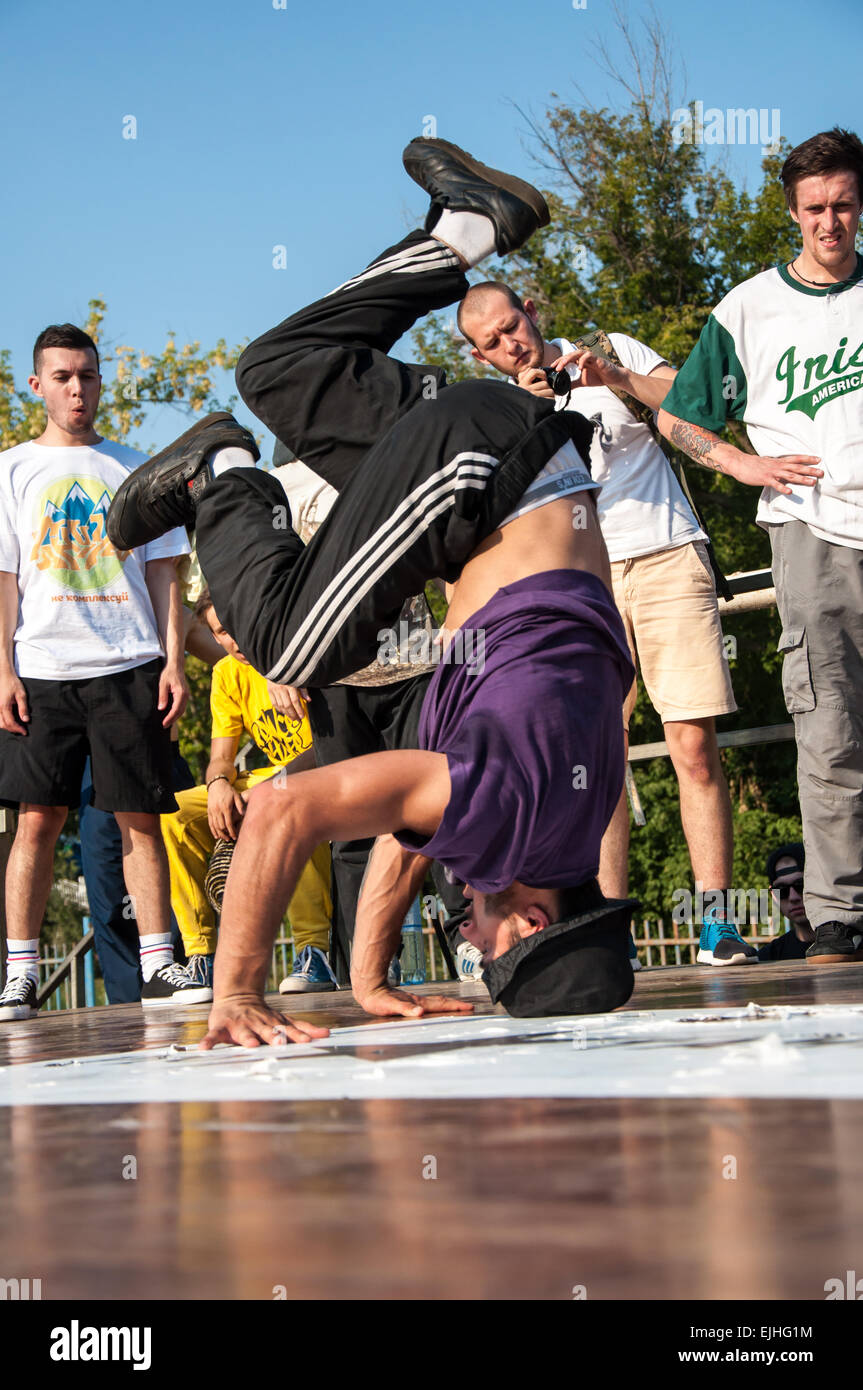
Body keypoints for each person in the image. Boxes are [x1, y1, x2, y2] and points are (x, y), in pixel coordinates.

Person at [107, 136, 638, 1045]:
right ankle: (217, 471)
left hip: (509, 454)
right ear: (532, 921)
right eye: (479, 943)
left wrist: (367, 977)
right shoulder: (510, 822)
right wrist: (235, 992)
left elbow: (402, 827)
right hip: (483, 486)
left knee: (282, 374)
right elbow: (284, 806)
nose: (463, 934)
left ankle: (467, 227)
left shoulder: (561, 822)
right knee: (283, 646)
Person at [457, 286, 747, 965]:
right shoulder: (496, 411)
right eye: (493, 342)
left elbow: (690, 408)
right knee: (596, 761)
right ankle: (606, 928)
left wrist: (612, 377)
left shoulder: (614, 350)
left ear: (534, 309)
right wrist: (528, 412)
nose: (512, 344)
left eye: (514, 326)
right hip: (575, 584)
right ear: (478, 353)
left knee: (692, 744)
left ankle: (714, 921)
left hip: (665, 554)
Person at [656, 126, 863, 966]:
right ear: (791, 213)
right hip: (811, 533)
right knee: (829, 730)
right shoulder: (746, 308)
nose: (829, 221)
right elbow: (676, 415)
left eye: (843, 204)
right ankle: (841, 913)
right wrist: (741, 462)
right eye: (813, 207)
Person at [0, 323, 212, 1019]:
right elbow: (5, 577)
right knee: (37, 819)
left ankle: (159, 963)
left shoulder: (137, 467)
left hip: (128, 662)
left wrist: (173, 660)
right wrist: (2, 668)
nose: (76, 388)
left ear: (100, 380)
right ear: (38, 386)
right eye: (62, 377)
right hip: (42, 666)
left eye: (87, 375)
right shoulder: (10, 469)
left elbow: (165, 572)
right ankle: (20, 973)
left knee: (139, 818)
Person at [161, 588, 335, 993]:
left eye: (234, 626)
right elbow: (222, 755)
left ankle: (315, 952)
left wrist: (269, 787)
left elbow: (330, 745)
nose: (232, 640)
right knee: (172, 812)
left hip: (323, 776)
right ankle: (200, 955)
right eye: (220, 632)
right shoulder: (226, 673)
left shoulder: (297, 652)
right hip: (265, 780)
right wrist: (220, 783)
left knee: (289, 799)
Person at [758, 843, 813, 962]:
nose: (793, 897)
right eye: (782, 890)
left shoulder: (855, 946)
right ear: (773, 895)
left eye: (801, 885)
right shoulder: (767, 958)